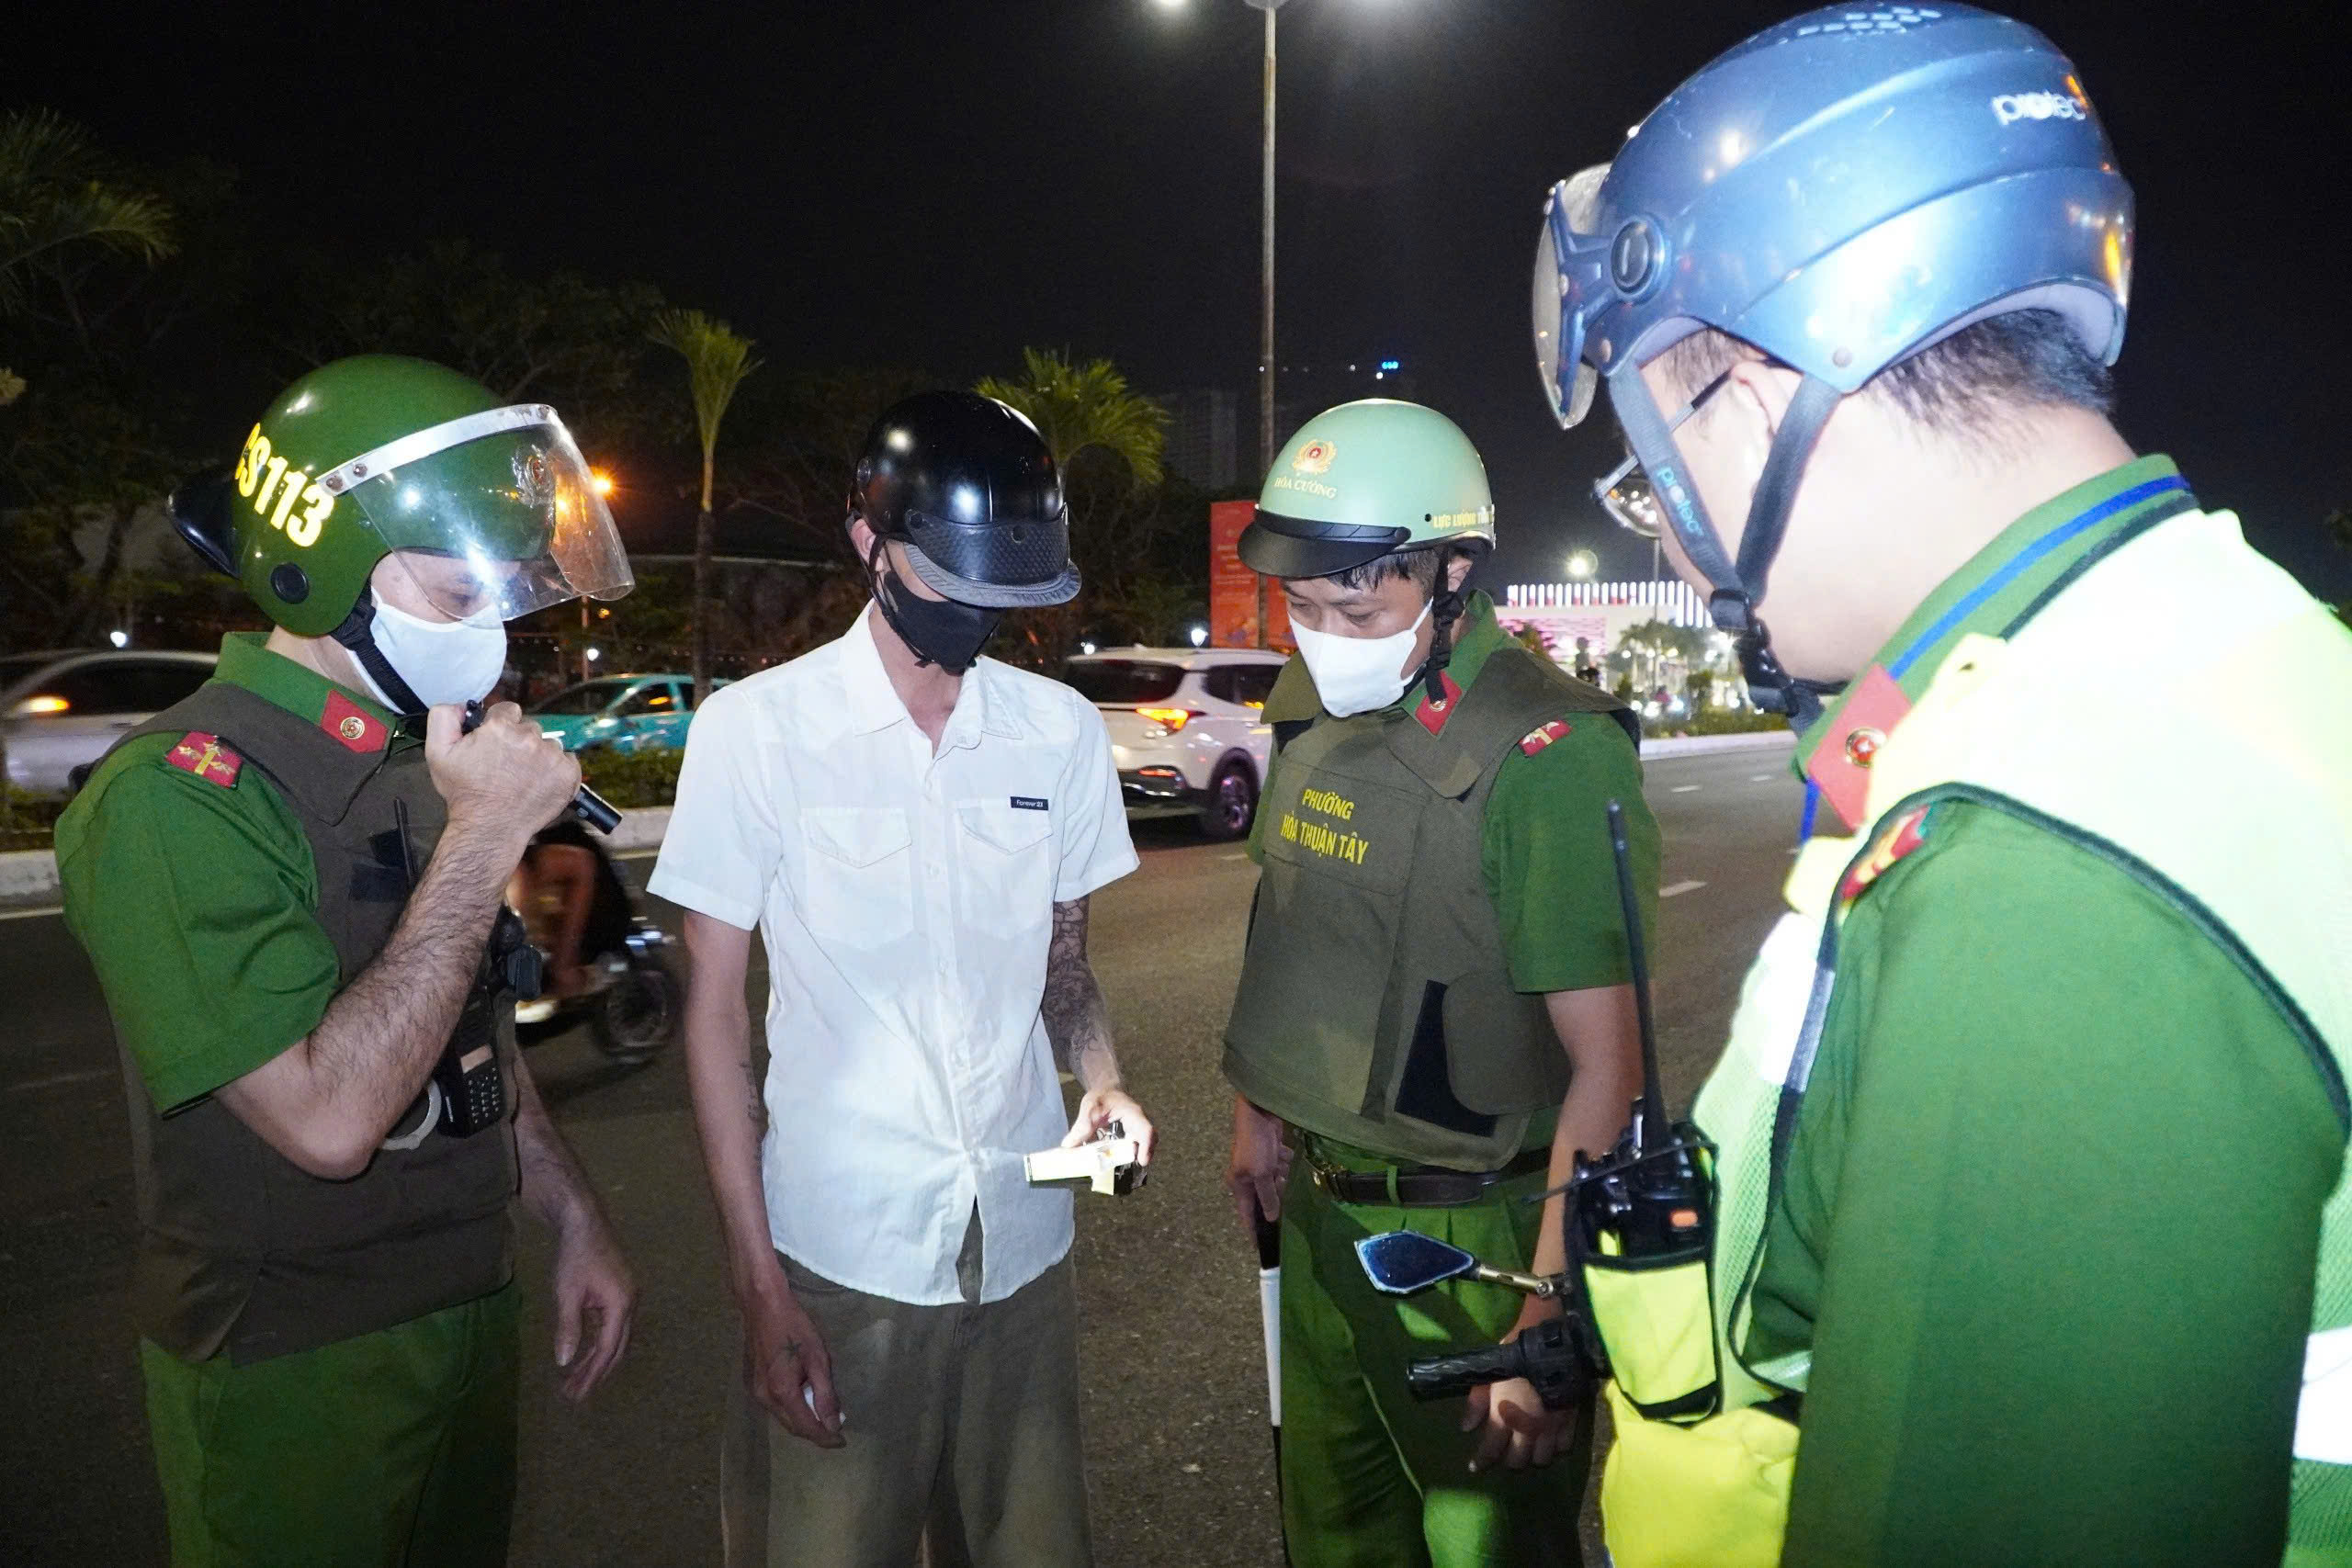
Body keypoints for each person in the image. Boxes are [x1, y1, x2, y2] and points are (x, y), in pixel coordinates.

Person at [1526, 6, 2352, 1565]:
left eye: (1649, 478)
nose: (1674, 543)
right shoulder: (2207, 647)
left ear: (1753, 393)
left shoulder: (2049, 868)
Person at [55, 355, 639, 1566]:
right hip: (296, 1351)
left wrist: (572, 1214)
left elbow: (468, 1025)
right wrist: (485, 837)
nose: (489, 630)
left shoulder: (418, 759)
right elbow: (325, 1122)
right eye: (456, 590)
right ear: (319, 565)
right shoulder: (177, 795)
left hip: (466, 1300)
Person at [652, 389, 1154, 1568]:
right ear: (866, 540)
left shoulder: (1059, 733)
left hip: (1022, 1244)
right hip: (842, 1257)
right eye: (949, 579)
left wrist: (1102, 1079)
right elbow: (714, 1019)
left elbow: (1064, 967)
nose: (976, 611)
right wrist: (759, 1289)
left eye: (1000, 588)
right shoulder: (756, 732)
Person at [1218, 397, 1657, 1567]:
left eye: (1358, 609)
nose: (1325, 637)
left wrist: (1547, 1313)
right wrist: (1258, 1114)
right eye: (1304, 608)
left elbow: (1609, 1068)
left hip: (1472, 1243)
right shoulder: (1310, 711)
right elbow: (1293, 916)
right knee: (1334, 1537)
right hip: (1320, 1215)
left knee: (1485, 1546)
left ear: (1453, 570)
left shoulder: (1551, 757)